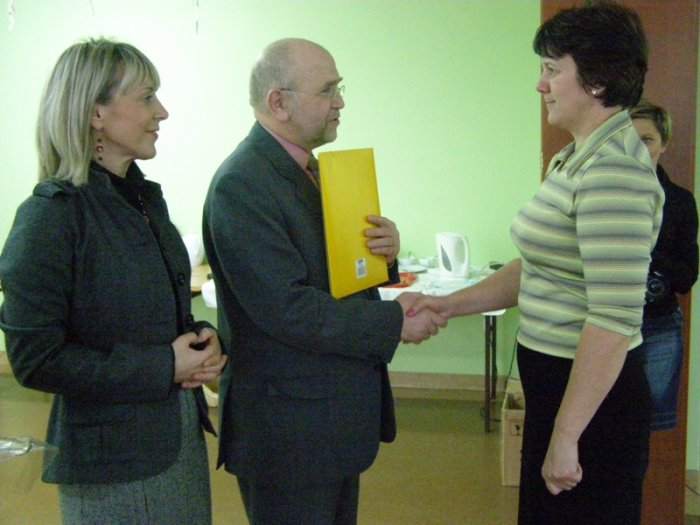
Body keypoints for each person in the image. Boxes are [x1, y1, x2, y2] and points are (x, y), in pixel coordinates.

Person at [410, 3, 662, 524]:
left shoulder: (614, 172)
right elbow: (536, 268)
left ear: (596, 81)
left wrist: (566, 436)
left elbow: (614, 321)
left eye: (551, 69)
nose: (540, 85)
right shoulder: (574, 157)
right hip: (557, 387)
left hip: (592, 405)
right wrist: (447, 304)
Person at [202, 38, 444, 525]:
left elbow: (332, 273)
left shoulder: (315, 170)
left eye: (340, 88)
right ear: (279, 102)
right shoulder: (242, 184)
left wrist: (382, 254)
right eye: (327, 90)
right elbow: (287, 309)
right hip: (288, 428)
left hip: (327, 416)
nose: (340, 102)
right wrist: (394, 322)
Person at [0, 38, 227, 524]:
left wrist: (200, 340)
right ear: (95, 113)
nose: (162, 112)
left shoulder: (143, 200)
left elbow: (149, 316)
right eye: (146, 97)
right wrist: (164, 364)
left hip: (176, 439)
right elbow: (35, 359)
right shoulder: (51, 217)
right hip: (113, 464)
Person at [630, 100, 699, 431]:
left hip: (658, 326)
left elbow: (687, 277)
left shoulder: (680, 202)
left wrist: (649, 250)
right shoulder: (600, 192)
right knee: (602, 419)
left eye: (646, 140)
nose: (636, 148)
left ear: (664, 144)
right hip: (606, 322)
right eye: (629, 139)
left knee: (648, 422)